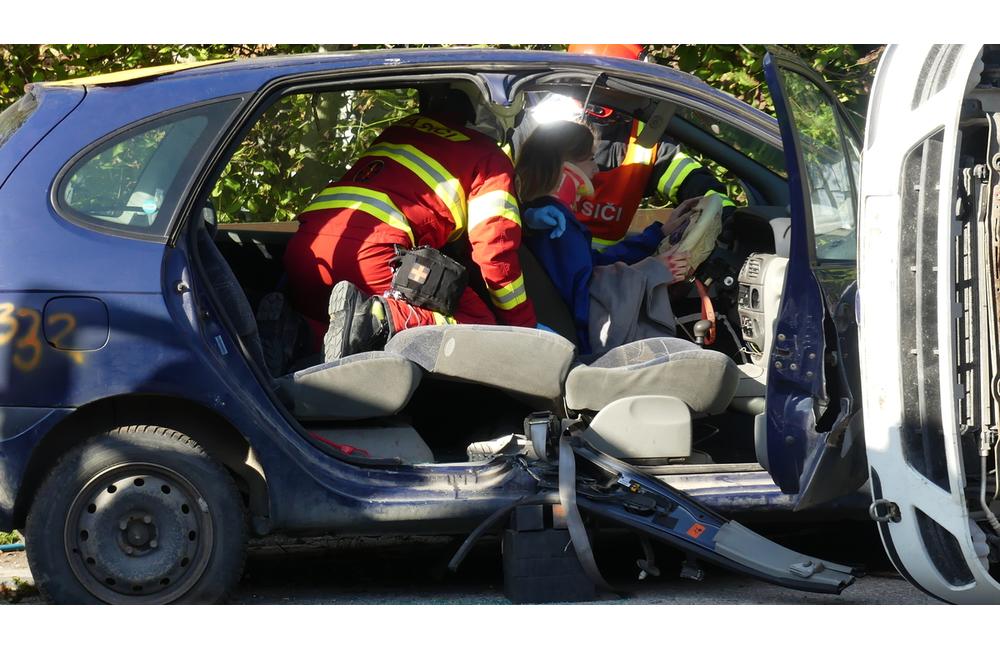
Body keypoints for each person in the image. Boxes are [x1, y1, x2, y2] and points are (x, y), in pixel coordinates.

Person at [284, 86, 537, 361]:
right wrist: (524, 329)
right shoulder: (489, 157)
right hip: (376, 256)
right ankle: (378, 318)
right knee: (478, 324)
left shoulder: (401, 128)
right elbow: (495, 255)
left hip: (304, 250)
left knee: (327, 324)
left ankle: (293, 332)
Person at [526, 45, 738, 280]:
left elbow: (693, 182)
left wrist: (729, 218)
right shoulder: (538, 125)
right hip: (586, 280)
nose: (594, 170)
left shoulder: (645, 139)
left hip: (603, 269)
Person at [516, 120, 692, 356]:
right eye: (589, 159)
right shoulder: (557, 226)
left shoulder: (543, 217)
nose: (596, 168)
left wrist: (657, 234)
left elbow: (593, 264)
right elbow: (586, 292)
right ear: (565, 167)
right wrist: (654, 271)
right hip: (583, 347)